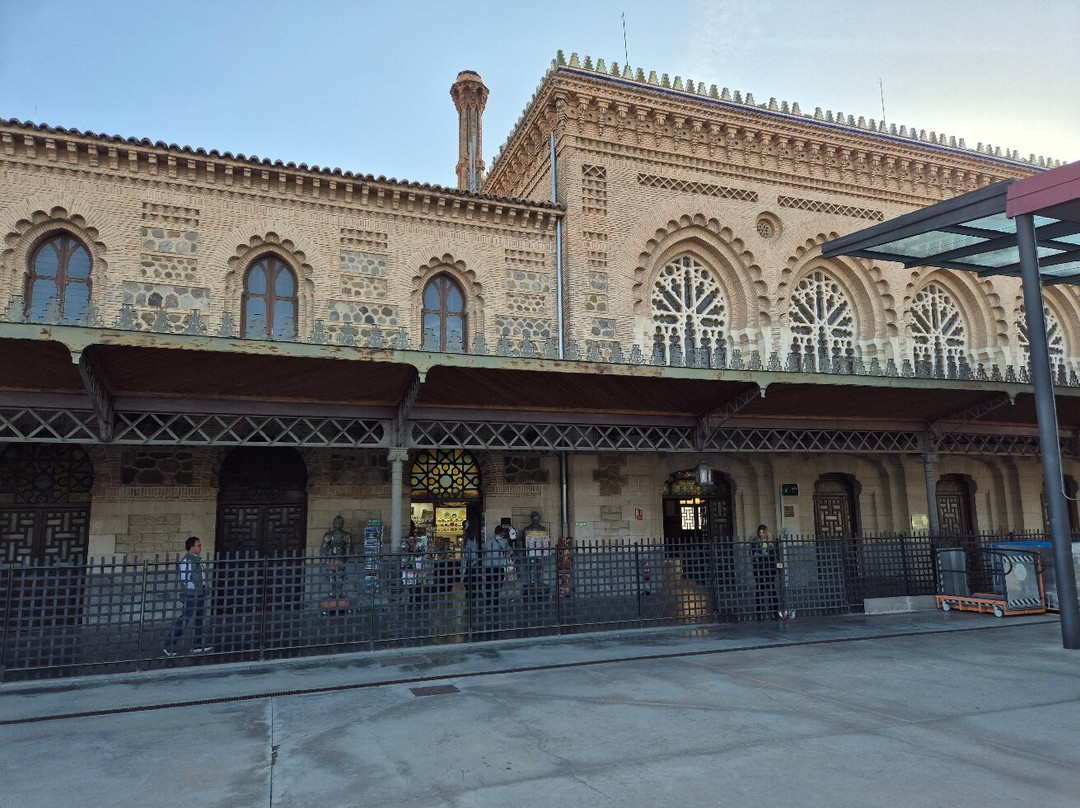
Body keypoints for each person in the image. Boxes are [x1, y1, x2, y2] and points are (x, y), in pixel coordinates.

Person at [163, 536, 211, 656]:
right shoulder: (188, 561)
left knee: (199, 619)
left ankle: (197, 645)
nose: (200, 547)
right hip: (192, 594)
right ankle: (169, 645)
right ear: (192, 547)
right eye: (198, 545)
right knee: (185, 619)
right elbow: (186, 579)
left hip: (199, 593)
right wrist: (194, 590)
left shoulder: (196, 560)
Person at [319, 515, 353, 613]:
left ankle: (337, 593)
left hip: (338, 557)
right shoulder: (330, 535)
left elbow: (348, 549)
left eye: (339, 522)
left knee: (339, 576)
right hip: (334, 558)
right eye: (337, 522)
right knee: (334, 576)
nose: (338, 524)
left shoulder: (346, 535)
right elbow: (324, 548)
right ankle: (334, 593)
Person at [482, 525, 510, 620]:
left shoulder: (488, 542)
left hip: (489, 566)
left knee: (488, 587)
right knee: (497, 587)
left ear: (494, 532)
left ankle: (487, 606)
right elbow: (508, 551)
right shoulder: (504, 542)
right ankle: (495, 606)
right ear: (502, 532)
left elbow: (484, 550)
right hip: (499, 566)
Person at [751, 524, 779, 619]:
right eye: (760, 533)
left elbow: (775, 554)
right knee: (760, 590)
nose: (761, 534)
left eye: (763, 532)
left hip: (770, 568)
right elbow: (752, 553)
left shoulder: (771, 542)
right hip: (759, 569)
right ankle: (760, 612)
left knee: (771, 589)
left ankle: (774, 611)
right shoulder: (755, 542)